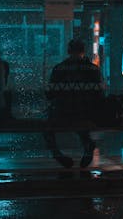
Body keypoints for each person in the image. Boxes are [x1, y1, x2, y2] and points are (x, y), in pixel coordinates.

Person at [44, 38, 105, 169]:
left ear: (68, 51)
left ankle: (57, 154)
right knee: (81, 123)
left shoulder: (60, 68)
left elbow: (49, 94)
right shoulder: (92, 69)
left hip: (63, 112)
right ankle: (88, 145)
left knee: (48, 127)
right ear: (84, 51)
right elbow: (100, 94)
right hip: (87, 113)